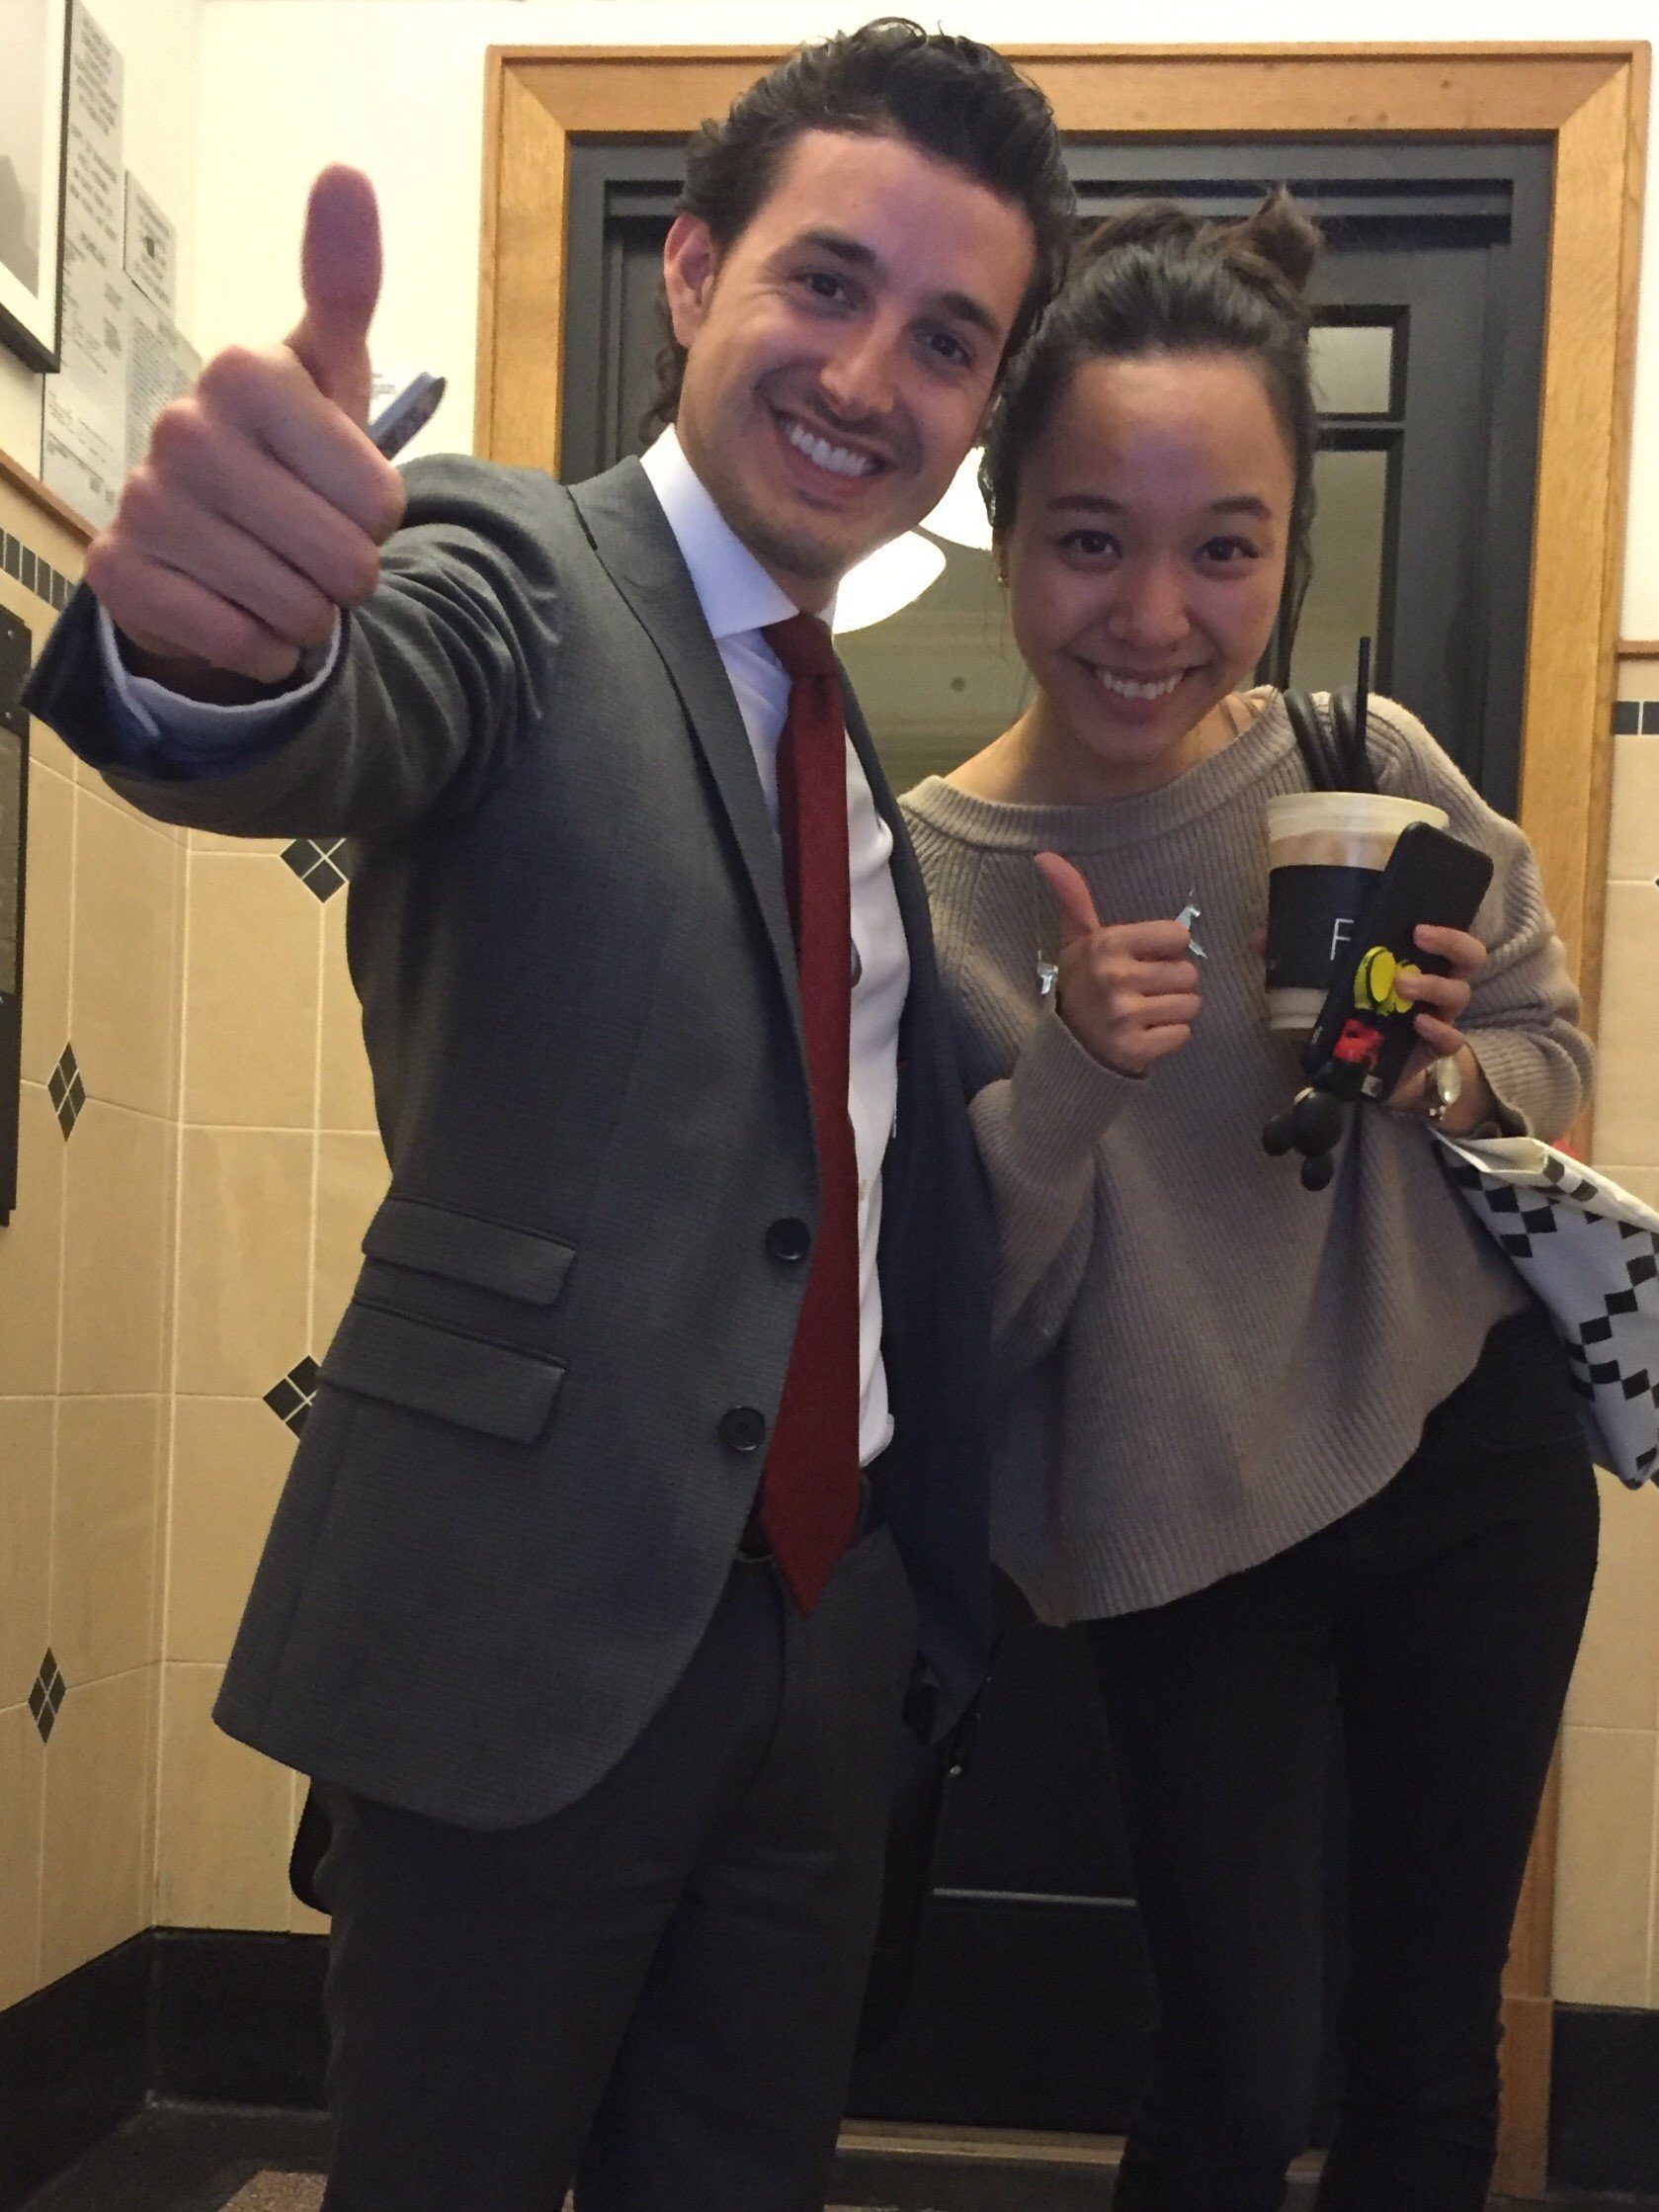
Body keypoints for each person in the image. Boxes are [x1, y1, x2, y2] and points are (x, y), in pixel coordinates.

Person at [22, 24, 1074, 2209]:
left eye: (949, 338)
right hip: (529, 1630)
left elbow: (827, 1154)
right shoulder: (509, 566)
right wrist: (218, 656)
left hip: (826, 1644)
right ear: (691, 272)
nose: (875, 375)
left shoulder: (844, 739)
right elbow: (343, 703)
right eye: (824, 284)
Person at [902, 194, 1599, 2212]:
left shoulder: (1361, 762)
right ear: (1002, 521)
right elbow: (961, 1329)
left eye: (1227, 549)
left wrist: (1446, 1064)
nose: (1156, 614)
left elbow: (1550, 1067)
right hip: (1175, 1509)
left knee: (1426, 2050)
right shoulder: (930, 876)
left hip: (1469, 1462)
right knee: (1237, 2060)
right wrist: (1074, 1079)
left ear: (1290, 549)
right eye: (1090, 540)